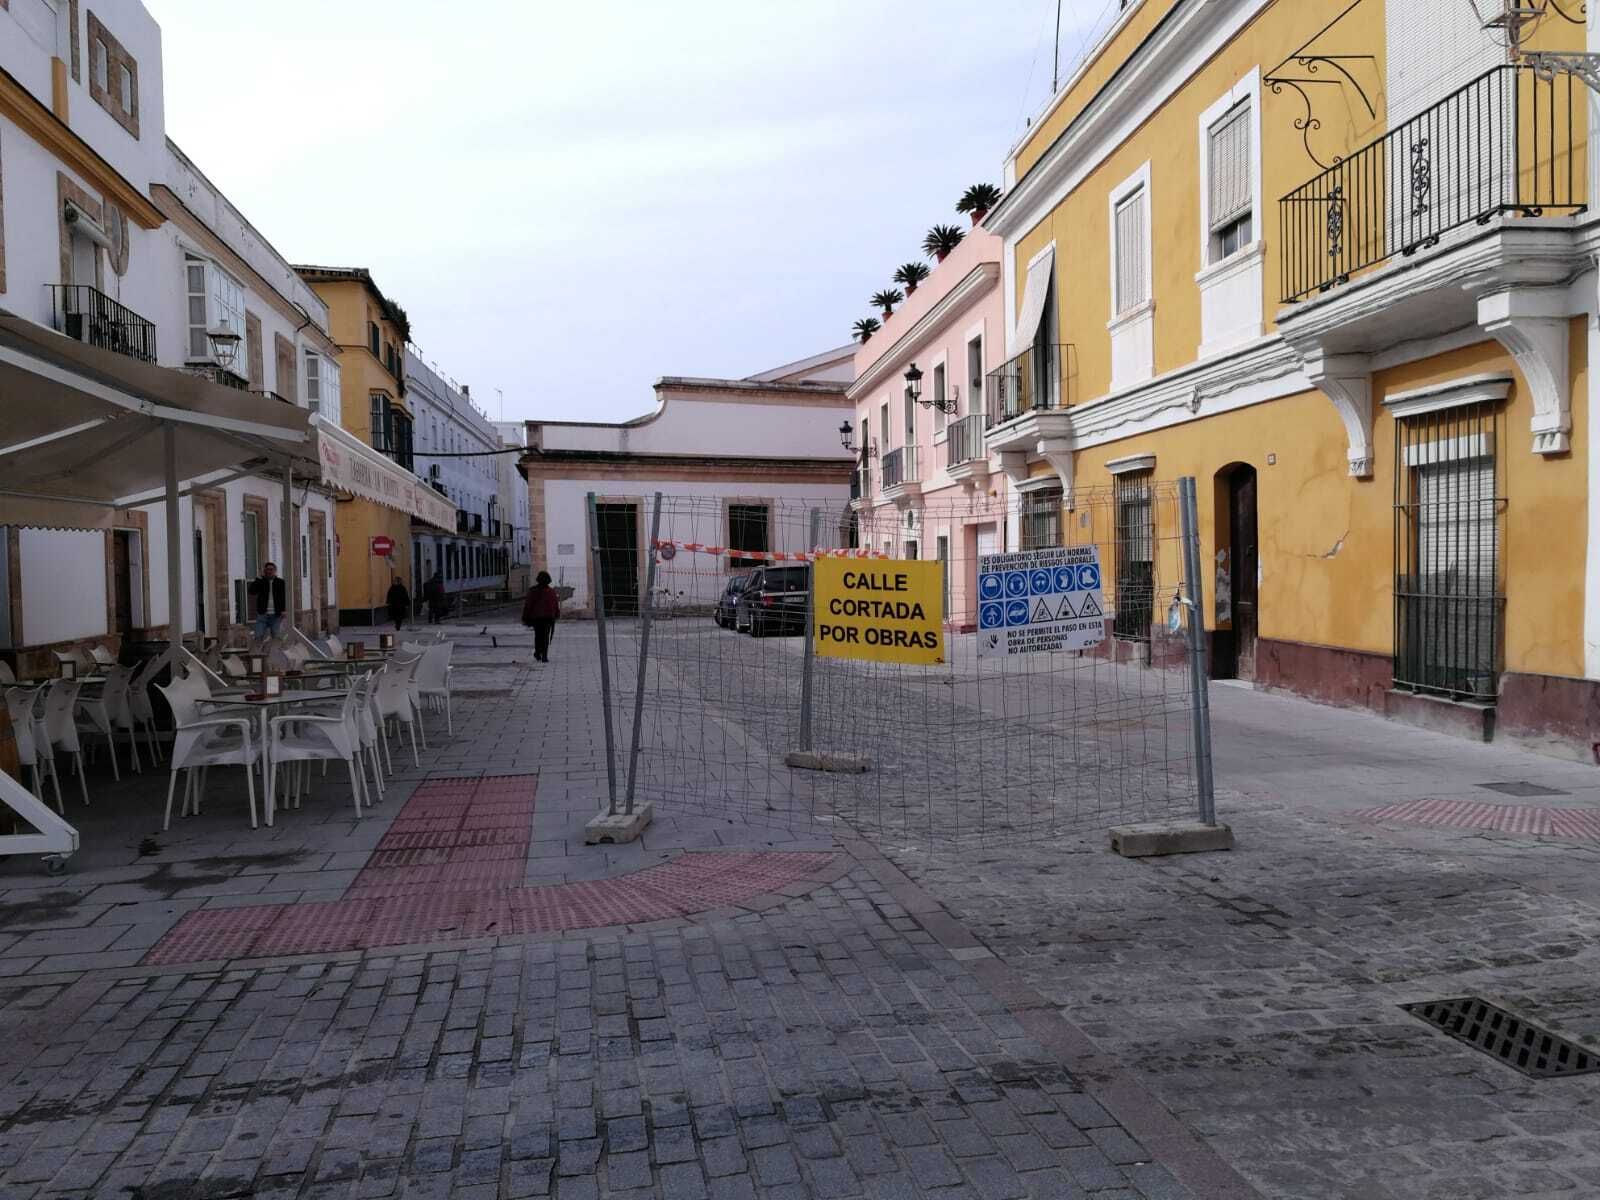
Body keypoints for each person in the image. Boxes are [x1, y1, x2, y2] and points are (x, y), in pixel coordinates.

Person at [522, 571, 560, 663]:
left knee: (538, 636)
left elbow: (528, 605)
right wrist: (556, 615)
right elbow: (555, 605)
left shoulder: (533, 591)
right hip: (548, 618)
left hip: (537, 618)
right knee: (546, 636)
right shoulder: (551, 592)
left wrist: (525, 617)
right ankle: (545, 656)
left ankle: (538, 653)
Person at [248, 562, 288, 641]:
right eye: (267, 570)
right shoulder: (261, 581)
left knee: (276, 638)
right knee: (258, 637)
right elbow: (251, 591)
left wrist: (284, 610)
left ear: (275, 571)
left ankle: (275, 653)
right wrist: (258, 578)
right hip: (262, 614)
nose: (269, 571)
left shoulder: (280, 582)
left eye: (271, 569)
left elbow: (285, 597)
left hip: (276, 615)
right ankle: (259, 653)